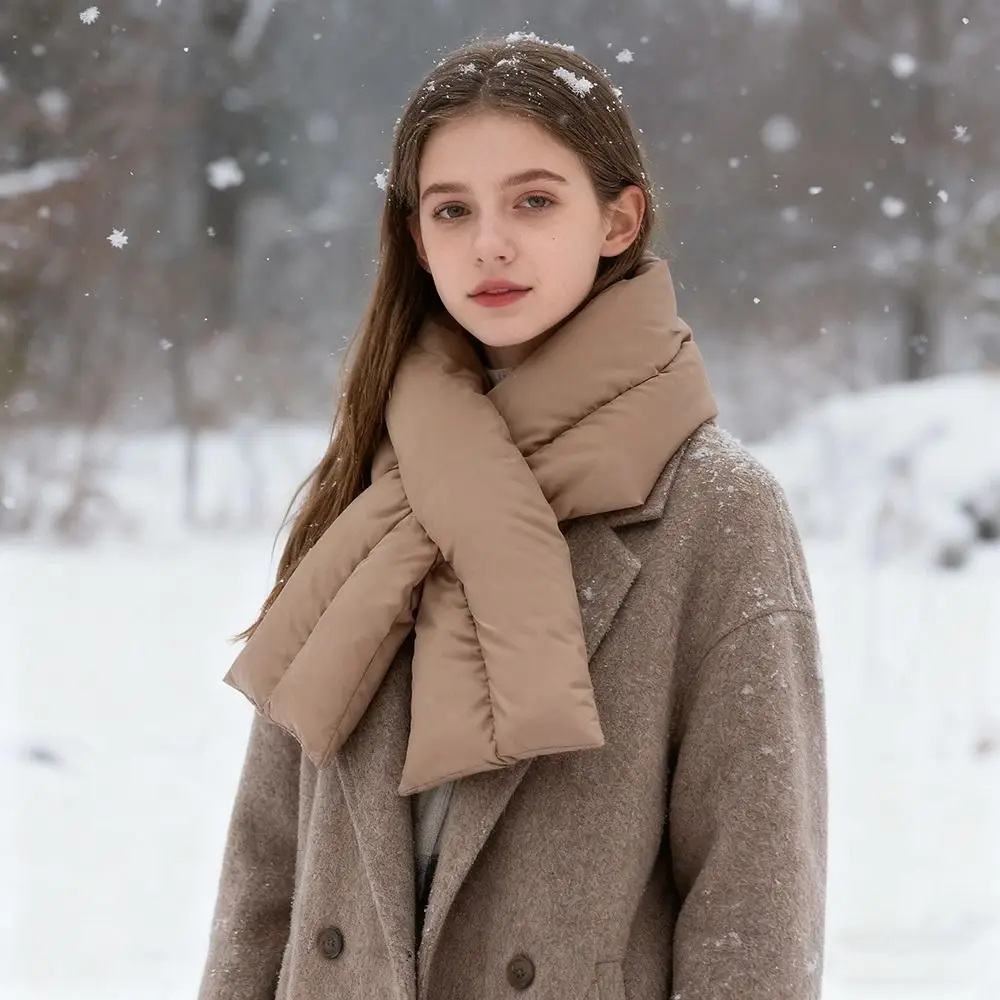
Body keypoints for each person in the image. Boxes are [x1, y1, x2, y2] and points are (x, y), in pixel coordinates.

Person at [198, 33, 827, 1000]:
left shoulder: (719, 511)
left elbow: (752, 907)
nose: (489, 241)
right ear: (418, 240)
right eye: (453, 210)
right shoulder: (374, 486)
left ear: (619, 220)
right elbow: (267, 867)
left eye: (534, 201)